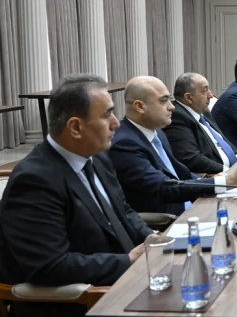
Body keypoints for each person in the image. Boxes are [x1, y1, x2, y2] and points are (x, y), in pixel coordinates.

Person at [0, 75, 153, 317]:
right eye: (107, 115)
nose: (116, 123)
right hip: (80, 304)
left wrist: (150, 237)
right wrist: (129, 261)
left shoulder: (97, 157)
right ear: (75, 127)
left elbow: (122, 209)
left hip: (127, 283)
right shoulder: (34, 181)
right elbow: (50, 266)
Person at [109, 76, 237, 215]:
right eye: (163, 101)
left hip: (193, 205)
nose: (172, 107)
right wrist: (228, 181)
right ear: (140, 106)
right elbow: (163, 187)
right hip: (170, 220)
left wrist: (211, 180)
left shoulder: (157, 132)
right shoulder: (124, 144)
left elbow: (179, 172)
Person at [163, 73, 237, 175]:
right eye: (205, 90)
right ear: (189, 98)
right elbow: (190, 158)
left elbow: (221, 139)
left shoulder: (204, 111)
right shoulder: (177, 117)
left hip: (234, 168)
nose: (211, 95)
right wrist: (228, 171)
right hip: (218, 175)